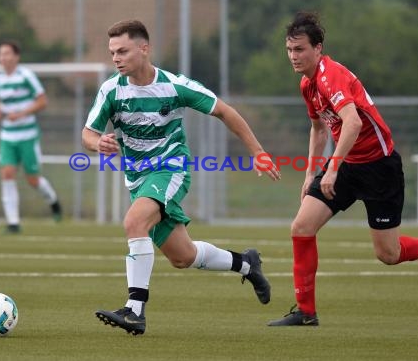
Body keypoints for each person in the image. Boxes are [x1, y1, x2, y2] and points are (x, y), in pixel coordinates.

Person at [82, 19, 281, 335]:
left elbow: (225, 111)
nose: (116, 58)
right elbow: (88, 134)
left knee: (134, 223)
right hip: (137, 179)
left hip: (170, 169)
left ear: (144, 48)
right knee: (182, 256)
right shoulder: (111, 90)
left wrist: (257, 152)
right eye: (112, 53)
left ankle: (135, 311)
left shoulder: (175, 86)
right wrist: (98, 143)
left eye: (122, 51)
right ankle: (247, 264)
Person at [267, 11, 418, 327]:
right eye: (289, 49)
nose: (293, 56)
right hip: (346, 165)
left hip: (379, 168)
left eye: (299, 49)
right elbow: (318, 129)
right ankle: (306, 312)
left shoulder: (331, 76)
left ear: (318, 48)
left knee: (388, 254)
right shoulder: (307, 85)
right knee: (301, 227)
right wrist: (312, 173)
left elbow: (352, 122)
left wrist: (332, 169)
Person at [0, 40, 62, 233]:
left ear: (16, 56)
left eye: (7, 53)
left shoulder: (26, 76)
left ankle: (53, 201)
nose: (3, 57)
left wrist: (21, 114)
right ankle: (13, 222)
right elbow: (2, 101)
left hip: (27, 135)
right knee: (7, 174)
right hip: (7, 135)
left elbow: (42, 101)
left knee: (32, 179)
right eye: (0, 54)